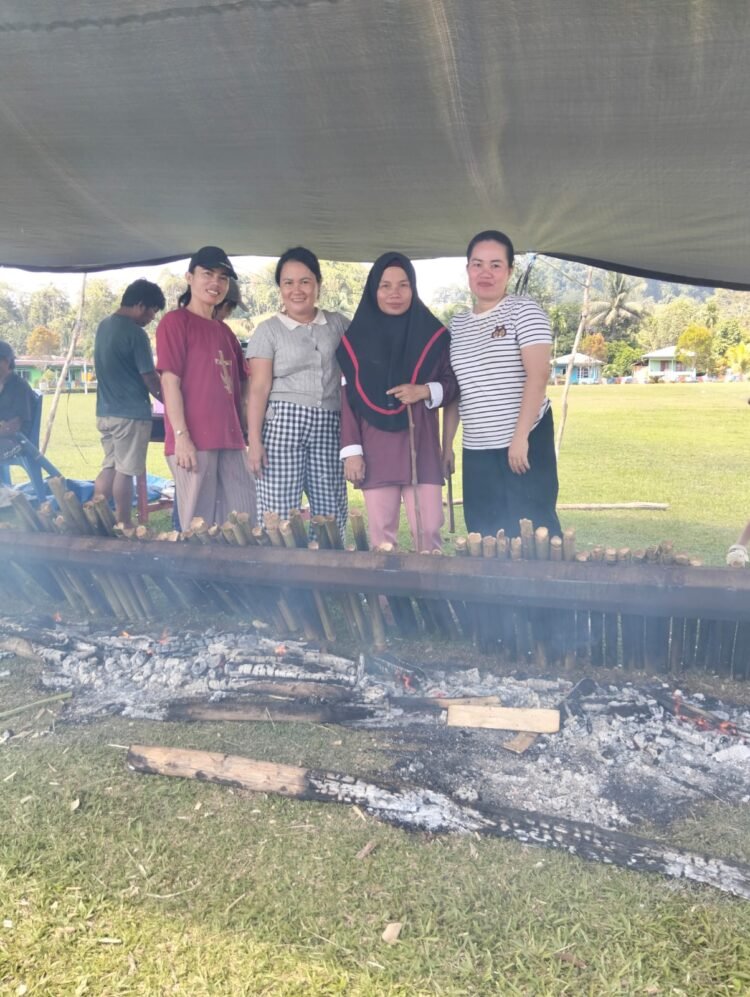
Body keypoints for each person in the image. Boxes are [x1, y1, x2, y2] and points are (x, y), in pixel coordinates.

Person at [443, 229, 562, 539]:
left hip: (523, 443)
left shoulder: (524, 311)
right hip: (477, 447)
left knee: (535, 531)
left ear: (509, 270)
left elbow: (538, 377)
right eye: (477, 264)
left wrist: (520, 437)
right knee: (484, 532)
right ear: (467, 269)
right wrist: (447, 445)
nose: (486, 273)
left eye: (496, 265)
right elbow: (455, 390)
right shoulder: (457, 325)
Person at [337, 252, 456, 551]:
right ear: (373, 290)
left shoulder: (435, 336)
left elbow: (453, 382)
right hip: (376, 447)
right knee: (382, 536)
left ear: (414, 288)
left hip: (423, 445)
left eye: (403, 285)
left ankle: (432, 597)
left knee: (428, 529)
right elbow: (347, 401)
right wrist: (352, 452)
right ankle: (386, 599)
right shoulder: (355, 342)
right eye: (385, 285)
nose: (394, 294)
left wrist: (425, 391)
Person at [246, 247, 348, 538]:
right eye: (288, 282)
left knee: (330, 509)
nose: (297, 290)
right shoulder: (268, 330)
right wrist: (254, 441)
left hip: (330, 423)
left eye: (305, 281)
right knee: (278, 511)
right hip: (283, 424)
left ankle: (328, 578)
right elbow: (259, 388)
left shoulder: (337, 324)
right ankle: (282, 581)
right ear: (280, 288)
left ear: (318, 284)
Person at [156, 246, 255, 528]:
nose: (216, 283)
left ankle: (232, 574)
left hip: (232, 441)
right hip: (194, 442)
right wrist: (181, 436)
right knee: (198, 527)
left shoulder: (225, 332)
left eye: (223, 278)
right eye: (208, 274)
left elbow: (244, 384)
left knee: (242, 520)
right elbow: (169, 382)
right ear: (189, 277)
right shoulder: (175, 323)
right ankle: (194, 575)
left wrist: (249, 430)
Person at [93, 279, 165, 527]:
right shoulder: (135, 334)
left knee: (109, 465)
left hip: (104, 411)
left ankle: (97, 517)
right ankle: (123, 521)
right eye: (152, 311)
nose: (151, 318)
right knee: (127, 469)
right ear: (140, 305)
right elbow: (149, 376)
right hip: (130, 414)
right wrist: (169, 400)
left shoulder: (103, 326)